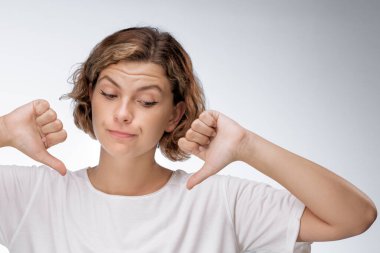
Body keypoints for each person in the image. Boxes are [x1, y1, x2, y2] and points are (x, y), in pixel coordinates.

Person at [0, 27, 376, 253]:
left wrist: (248, 145)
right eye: (110, 94)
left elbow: (355, 217)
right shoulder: (32, 195)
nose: (123, 113)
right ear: (90, 97)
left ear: (175, 115)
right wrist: (4, 130)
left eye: (147, 101)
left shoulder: (221, 201)